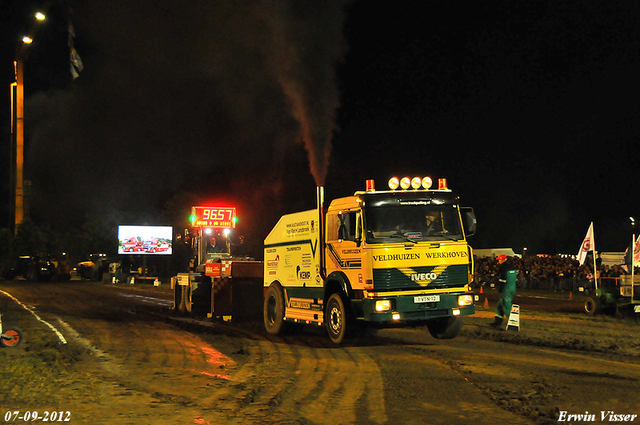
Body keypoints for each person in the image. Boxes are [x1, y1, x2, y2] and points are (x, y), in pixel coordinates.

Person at [491, 254, 517, 329]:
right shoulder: (513, 268)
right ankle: (497, 321)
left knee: (506, 305)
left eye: (499, 260)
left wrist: (500, 288)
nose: (498, 261)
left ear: (501, 260)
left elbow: (502, 280)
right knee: (500, 305)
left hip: (506, 289)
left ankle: (513, 323)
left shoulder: (502, 268)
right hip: (512, 288)